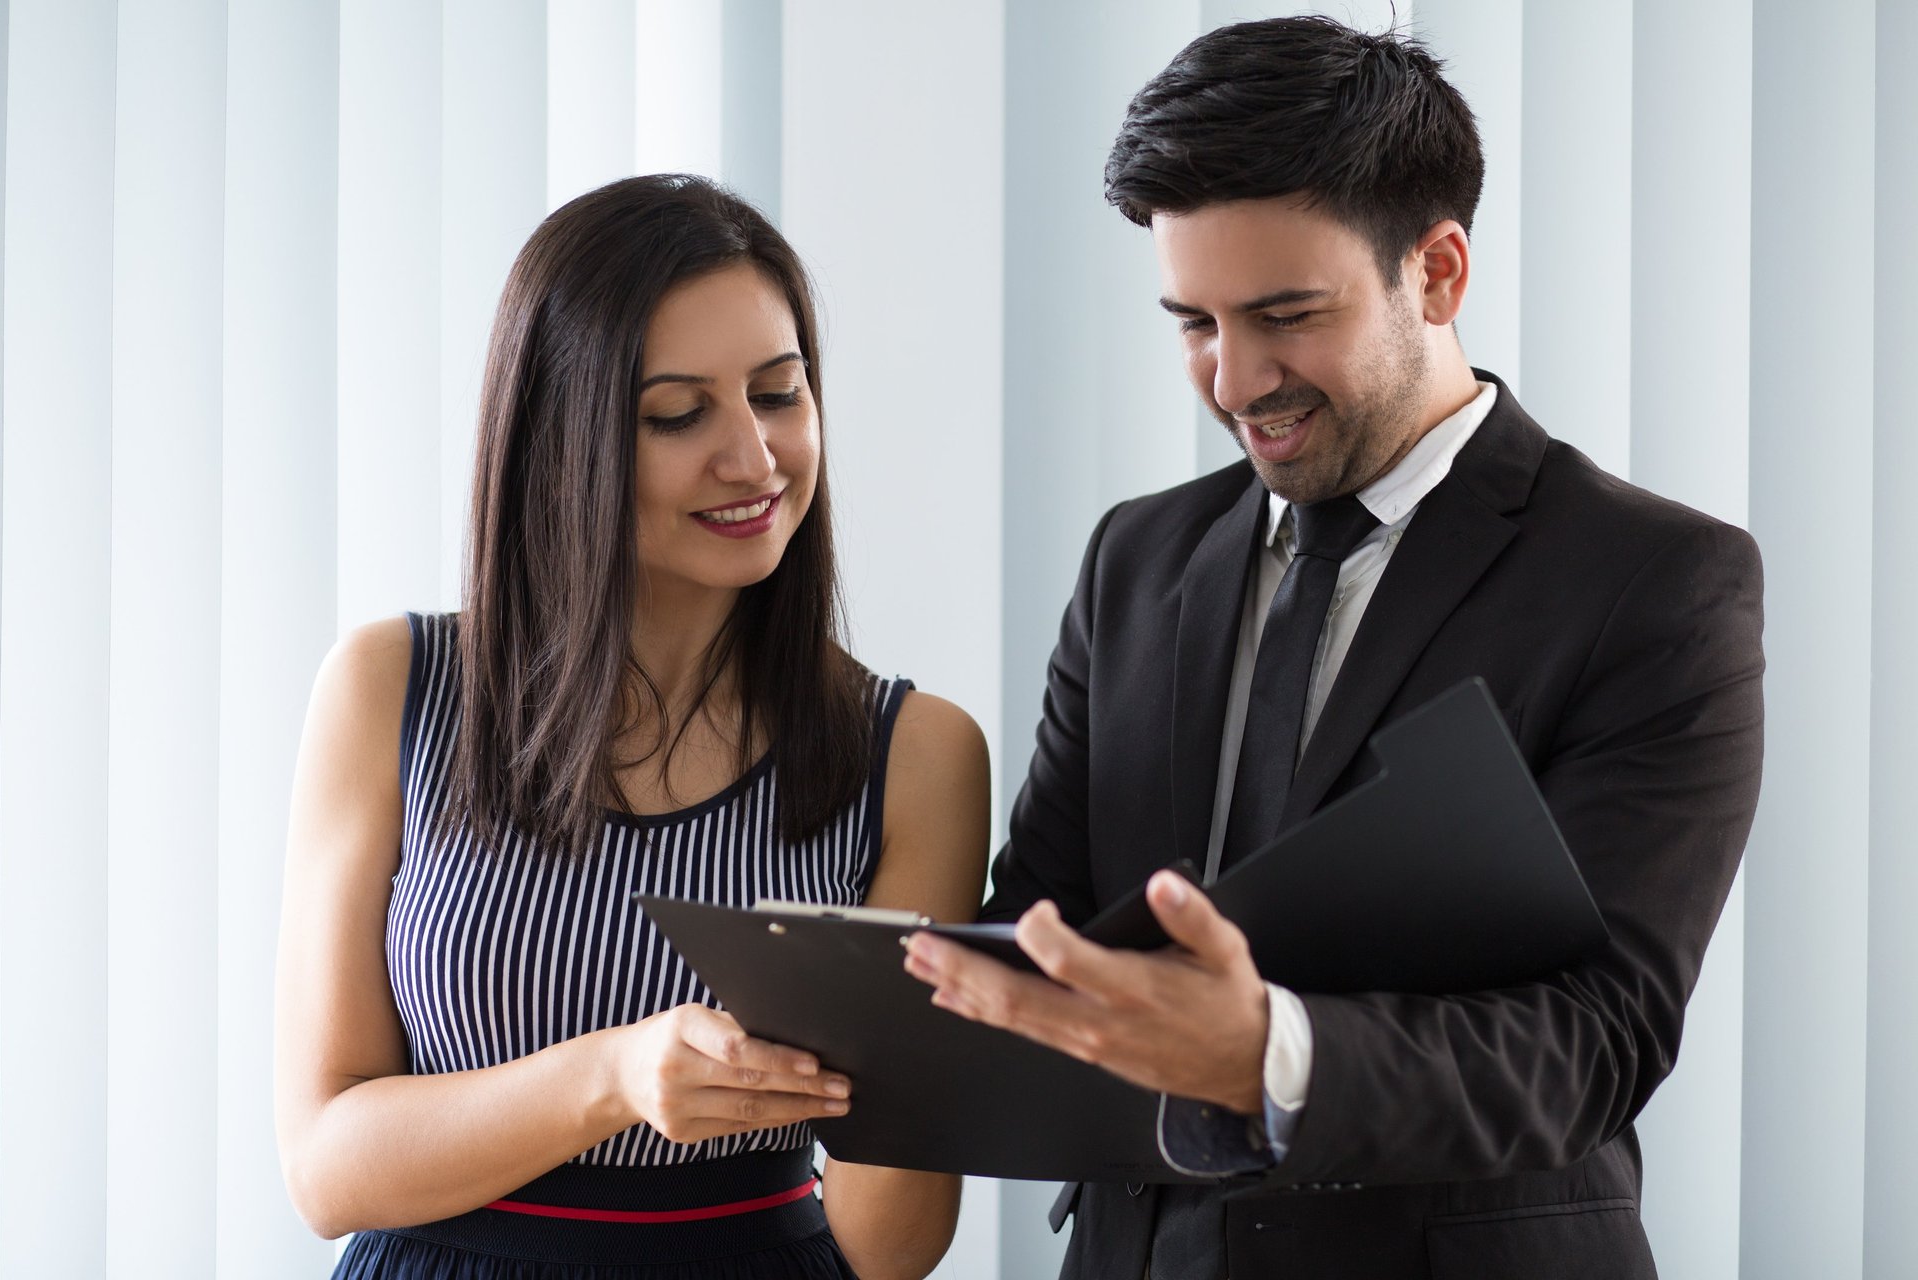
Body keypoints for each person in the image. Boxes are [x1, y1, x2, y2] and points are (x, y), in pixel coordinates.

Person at [903, 16, 1762, 1280]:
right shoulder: (1135, 560)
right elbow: (1045, 920)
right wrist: (849, 996)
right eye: (1192, 320)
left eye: (1284, 314)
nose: (1234, 379)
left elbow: (1597, 1036)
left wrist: (1270, 1048)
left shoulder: (1654, 581)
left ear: (1440, 271)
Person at [275, 174, 989, 1280]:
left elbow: (890, 1246)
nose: (753, 457)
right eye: (678, 412)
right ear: (562, 441)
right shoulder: (393, 687)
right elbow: (327, 1166)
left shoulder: (916, 753)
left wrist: (917, 1048)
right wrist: (613, 1074)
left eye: (779, 393)